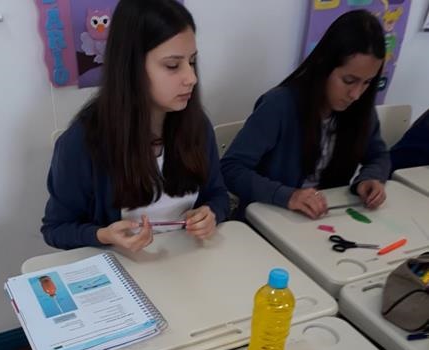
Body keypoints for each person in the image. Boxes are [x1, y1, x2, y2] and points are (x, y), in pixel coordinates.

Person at [42, 0, 229, 251]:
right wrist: (103, 235)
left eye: (192, 61)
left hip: (189, 261)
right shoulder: (82, 142)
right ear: (131, 68)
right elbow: (56, 229)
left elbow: (218, 195)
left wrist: (211, 213)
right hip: (124, 266)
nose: (191, 78)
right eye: (173, 65)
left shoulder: (197, 126)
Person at [221, 10, 391, 220]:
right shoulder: (279, 105)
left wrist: (370, 178)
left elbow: (379, 155)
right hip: (269, 218)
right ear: (324, 65)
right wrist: (287, 195)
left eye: (367, 83)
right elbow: (231, 168)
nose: (356, 94)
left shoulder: (361, 109)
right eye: (349, 80)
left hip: (323, 218)